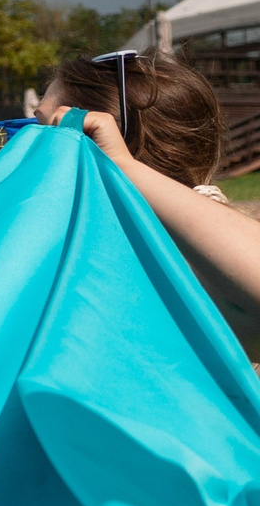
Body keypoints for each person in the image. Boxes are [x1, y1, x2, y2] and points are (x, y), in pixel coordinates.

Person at [37, 50, 255, 356]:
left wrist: (123, 168)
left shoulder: (179, 259)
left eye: (40, 123)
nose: (23, 140)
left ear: (88, 138)